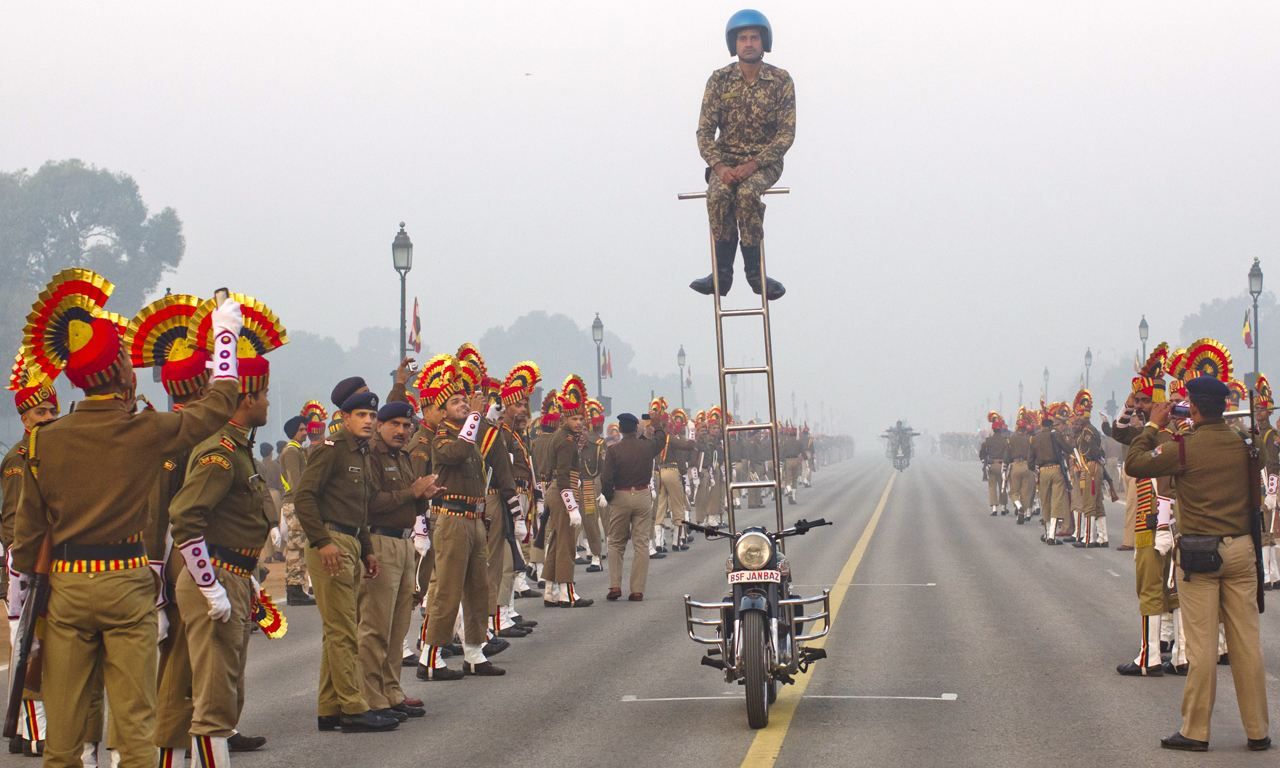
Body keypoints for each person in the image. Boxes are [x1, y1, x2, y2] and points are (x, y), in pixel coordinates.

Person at [8, 269, 243, 768]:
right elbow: (220, 404)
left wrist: (19, 612)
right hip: (128, 582)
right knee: (135, 728)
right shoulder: (145, 430)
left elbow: (27, 543)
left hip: (67, 590)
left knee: (65, 737)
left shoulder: (40, 441)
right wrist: (225, 337)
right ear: (122, 373)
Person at [1125, 375, 1270, 752]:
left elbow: (1136, 463)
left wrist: (1155, 424)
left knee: (1202, 648)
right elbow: (1266, 463)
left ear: (1194, 405)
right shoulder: (1243, 444)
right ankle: (1258, 731)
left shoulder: (1184, 447)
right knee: (1247, 645)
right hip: (1241, 549)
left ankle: (1196, 730)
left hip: (1199, 555)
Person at [168, 350, 275, 768]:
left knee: (225, 691)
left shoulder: (237, 447)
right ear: (247, 398)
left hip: (233, 572)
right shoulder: (220, 452)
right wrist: (208, 582)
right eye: (264, 394)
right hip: (214, 575)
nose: (267, 401)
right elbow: (184, 516)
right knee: (213, 699)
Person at [293, 386, 397, 733]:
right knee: (343, 631)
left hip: (351, 539)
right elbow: (304, 497)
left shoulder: (364, 453)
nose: (368, 421)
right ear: (344, 418)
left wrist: (367, 549)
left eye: (371, 415)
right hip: (331, 541)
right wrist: (321, 541)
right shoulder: (331, 450)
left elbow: (360, 507)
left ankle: (330, 707)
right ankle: (354, 707)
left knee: (337, 630)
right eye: (362, 416)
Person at [691, 8, 795, 301]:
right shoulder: (719, 81)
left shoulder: (781, 81)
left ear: (764, 42)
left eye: (754, 38)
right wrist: (719, 166)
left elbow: (786, 134)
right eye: (743, 39)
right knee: (719, 195)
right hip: (726, 162)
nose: (748, 43)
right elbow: (704, 132)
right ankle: (721, 275)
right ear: (734, 45)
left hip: (764, 162)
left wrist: (755, 164)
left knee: (748, 194)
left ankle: (755, 274)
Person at [357, 401, 436, 719]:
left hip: (404, 541)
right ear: (380, 425)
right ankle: (371, 695)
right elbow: (372, 502)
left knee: (399, 622)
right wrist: (412, 493)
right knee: (376, 624)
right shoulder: (371, 456)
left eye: (407, 425)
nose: (402, 431)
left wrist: (423, 496)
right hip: (379, 540)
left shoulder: (402, 458)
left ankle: (391, 690)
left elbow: (408, 500)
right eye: (395, 425)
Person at [2, 361, 59, 757]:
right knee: (30, 651)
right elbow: (12, 523)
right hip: (26, 570)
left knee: (46, 650)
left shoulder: (56, 450)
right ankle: (35, 731)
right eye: (40, 411)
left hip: (52, 565)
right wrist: (20, 574)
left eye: (53, 410)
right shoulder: (19, 459)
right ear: (24, 417)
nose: (49, 418)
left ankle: (25, 729)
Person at [541, 376, 594, 607]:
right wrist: (572, 507)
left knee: (556, 541)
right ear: (564, 418)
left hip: (561, 490)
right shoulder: (565, 440)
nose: (579, 422)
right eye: (574, 418)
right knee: (566, 542)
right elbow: (563, 476)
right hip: (564, 491)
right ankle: (567, 591)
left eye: (581, 417)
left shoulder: (565, 436)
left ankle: (551, 589)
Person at [601, 413, 664, 601]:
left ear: (620, 430)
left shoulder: (613, 450)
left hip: (620, 494)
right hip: (643, 494)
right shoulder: (647, 447)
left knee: (615, 543)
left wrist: (610, 496)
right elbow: (660, 439)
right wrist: (655, 423)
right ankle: (637, 590)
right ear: (637, 429)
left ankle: (614, 585)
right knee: (641, 543)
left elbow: (606, 478)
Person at [278, 415, 315, 605]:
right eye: (301, 429)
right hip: (296, 502)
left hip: (297, 502)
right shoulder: (291, 452)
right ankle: (294, 589)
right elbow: (296, 481)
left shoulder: (299, 450)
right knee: (296, 546)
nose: (305, 432)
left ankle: (297, 588)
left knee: (299, 545)